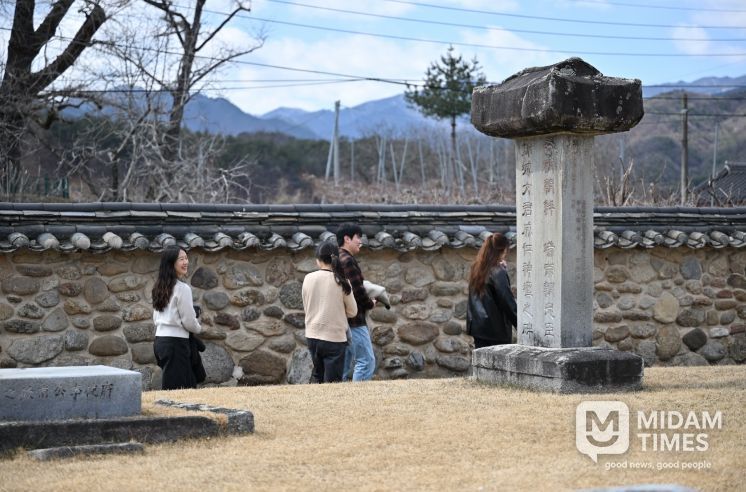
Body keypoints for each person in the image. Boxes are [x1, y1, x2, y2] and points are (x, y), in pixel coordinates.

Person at [302, 241, 358, 383]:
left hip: (312, 335)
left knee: (318, 376)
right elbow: (353, 311)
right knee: (333, 382)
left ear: (318, 259)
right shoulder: (342, 281)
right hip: (334, 337)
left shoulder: (308, 278)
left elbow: (306, 305)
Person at [152, 246, 203, 390]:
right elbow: (189, 322)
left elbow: (156, 317)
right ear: (171, 263)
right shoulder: (182, 288)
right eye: (181, 259)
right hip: (176, 344)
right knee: (179, 390)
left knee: (177, 387)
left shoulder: (158, 287)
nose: (186, 262)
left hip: (160, 342)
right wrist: (199, 328)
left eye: (186, 258)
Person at [336, 223, 377, 381]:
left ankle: (340, 395)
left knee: (343, 367)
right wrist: (370, 303)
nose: (360, 241)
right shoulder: (347, 260)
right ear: (347, 239)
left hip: (341, 320)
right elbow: (357, 291)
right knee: (366, 361)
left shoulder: (336, 258)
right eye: (358, 237)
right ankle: (359, 394)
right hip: (355, 320)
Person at [466, 232, 517, 349]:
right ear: (502, 250)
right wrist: (521, 324)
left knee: (482, 359)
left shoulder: (476, 268)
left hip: (478, 327)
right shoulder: (498, 271)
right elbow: (506, 300)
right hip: (495, 329)